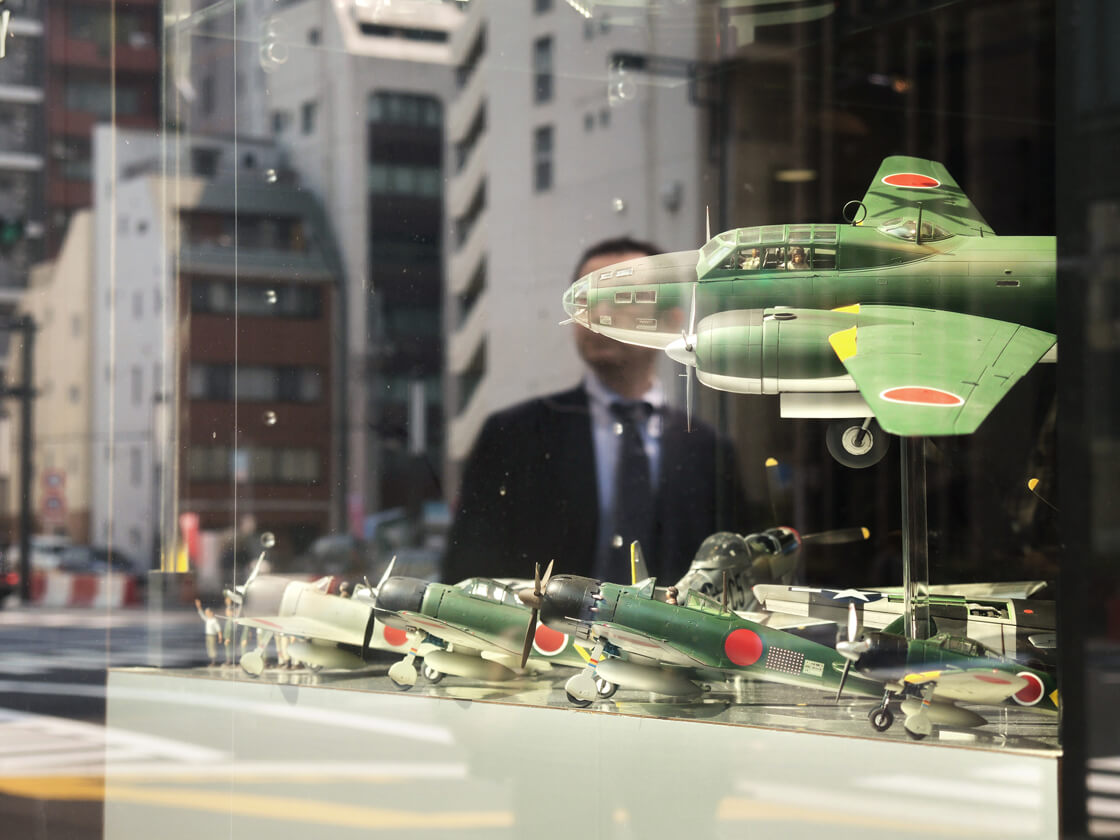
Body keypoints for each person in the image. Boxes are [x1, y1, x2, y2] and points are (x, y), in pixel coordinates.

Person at [443, 237, 747, 586]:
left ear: (670, 322)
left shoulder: (708, 450)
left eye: (622, 298)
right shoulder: (514, 436)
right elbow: (466, 574)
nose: (599, 315)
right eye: (585, 300)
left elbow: (734, 576)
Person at [194, 599, 223, 667]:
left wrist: (220, 637)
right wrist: (199, 606)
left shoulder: (214, 620)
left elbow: (218, 629)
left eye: (207, 613)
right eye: (206, 613)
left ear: (211, 613)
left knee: (212, 648)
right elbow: (201, 614)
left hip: (212, 636)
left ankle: (214, 661)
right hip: (208, 635)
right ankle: (211, 660)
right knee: (209, 647)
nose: (206, 614)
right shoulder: (208, 619)